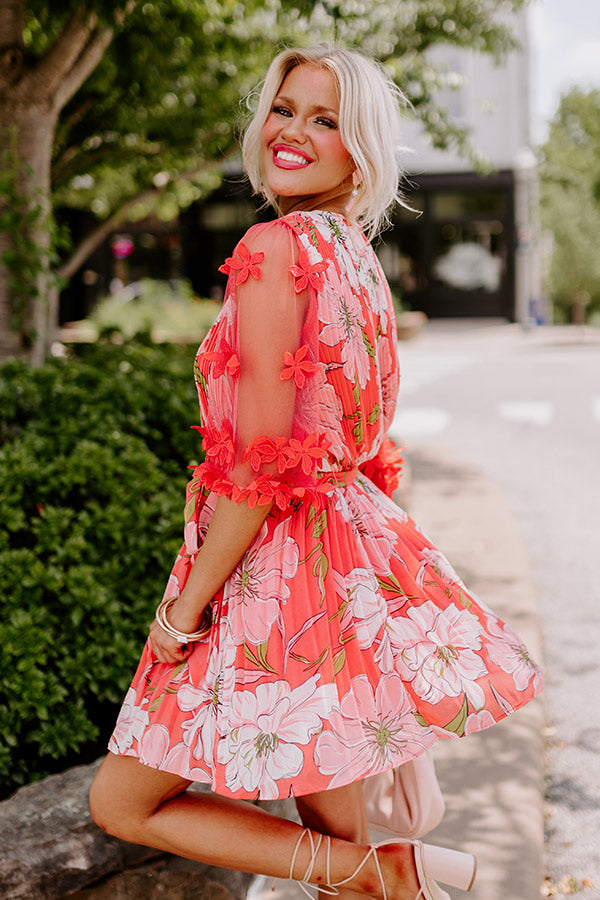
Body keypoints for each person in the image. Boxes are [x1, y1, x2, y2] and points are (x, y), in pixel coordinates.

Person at [89, 45, 542, 900]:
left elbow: (259, 467)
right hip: (339, 562)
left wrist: (181, 616)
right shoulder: (355, 255)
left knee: (123, 799)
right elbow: (366, 450)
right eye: (284, 108)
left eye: (325, 119)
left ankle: (391, 874)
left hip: (276, 571)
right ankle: (387, 873)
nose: (293, 131)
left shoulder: (273, 249)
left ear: (360, 148)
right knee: (332, 826)